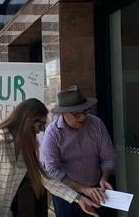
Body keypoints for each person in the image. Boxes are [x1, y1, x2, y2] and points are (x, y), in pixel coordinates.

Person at [0, 98, 99, 217]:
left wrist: (78, 199)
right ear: (27, 121)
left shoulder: (26, 146)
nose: (42, 129)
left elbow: (45, 178)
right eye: (40, 124)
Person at [40, 85, 116, 217]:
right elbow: (52, 170)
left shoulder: (96, 124)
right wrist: (83, 190)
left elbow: (108, 157)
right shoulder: (52, 134)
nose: (82, 118)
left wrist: (104, 177)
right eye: (76, 114)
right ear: (63, 113)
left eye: (85, 111)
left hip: (97, 189)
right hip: (67, 195)